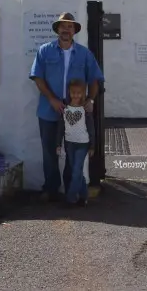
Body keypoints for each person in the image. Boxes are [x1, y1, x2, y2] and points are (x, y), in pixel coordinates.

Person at [30, 12, 104, 201]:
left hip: (76, 112)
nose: (66, 29)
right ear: (57, 29)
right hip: (49, 108)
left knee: (72, 152)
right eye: (63, 25)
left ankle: (72, 190)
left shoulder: (84, 53)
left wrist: (90, 99)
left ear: (74, 30)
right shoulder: (44, 51)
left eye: (70, 26)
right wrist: (52, 99)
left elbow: (95, 78)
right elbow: (37, 77)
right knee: (49, 150)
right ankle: (51, 189)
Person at [56, 78, 96, 206]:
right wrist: (58, 144)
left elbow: (91, 128)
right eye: (73, 92)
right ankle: (83, 197)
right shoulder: (65, 108)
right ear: (69, 92)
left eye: (79, 93)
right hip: (69, 143)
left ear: (83, 93)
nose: (76, 95)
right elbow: (60, 127)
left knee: (76, 171)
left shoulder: (85, 109)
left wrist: (92, 146)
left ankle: (70, 198)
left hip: (82, 143)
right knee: (76, 170)